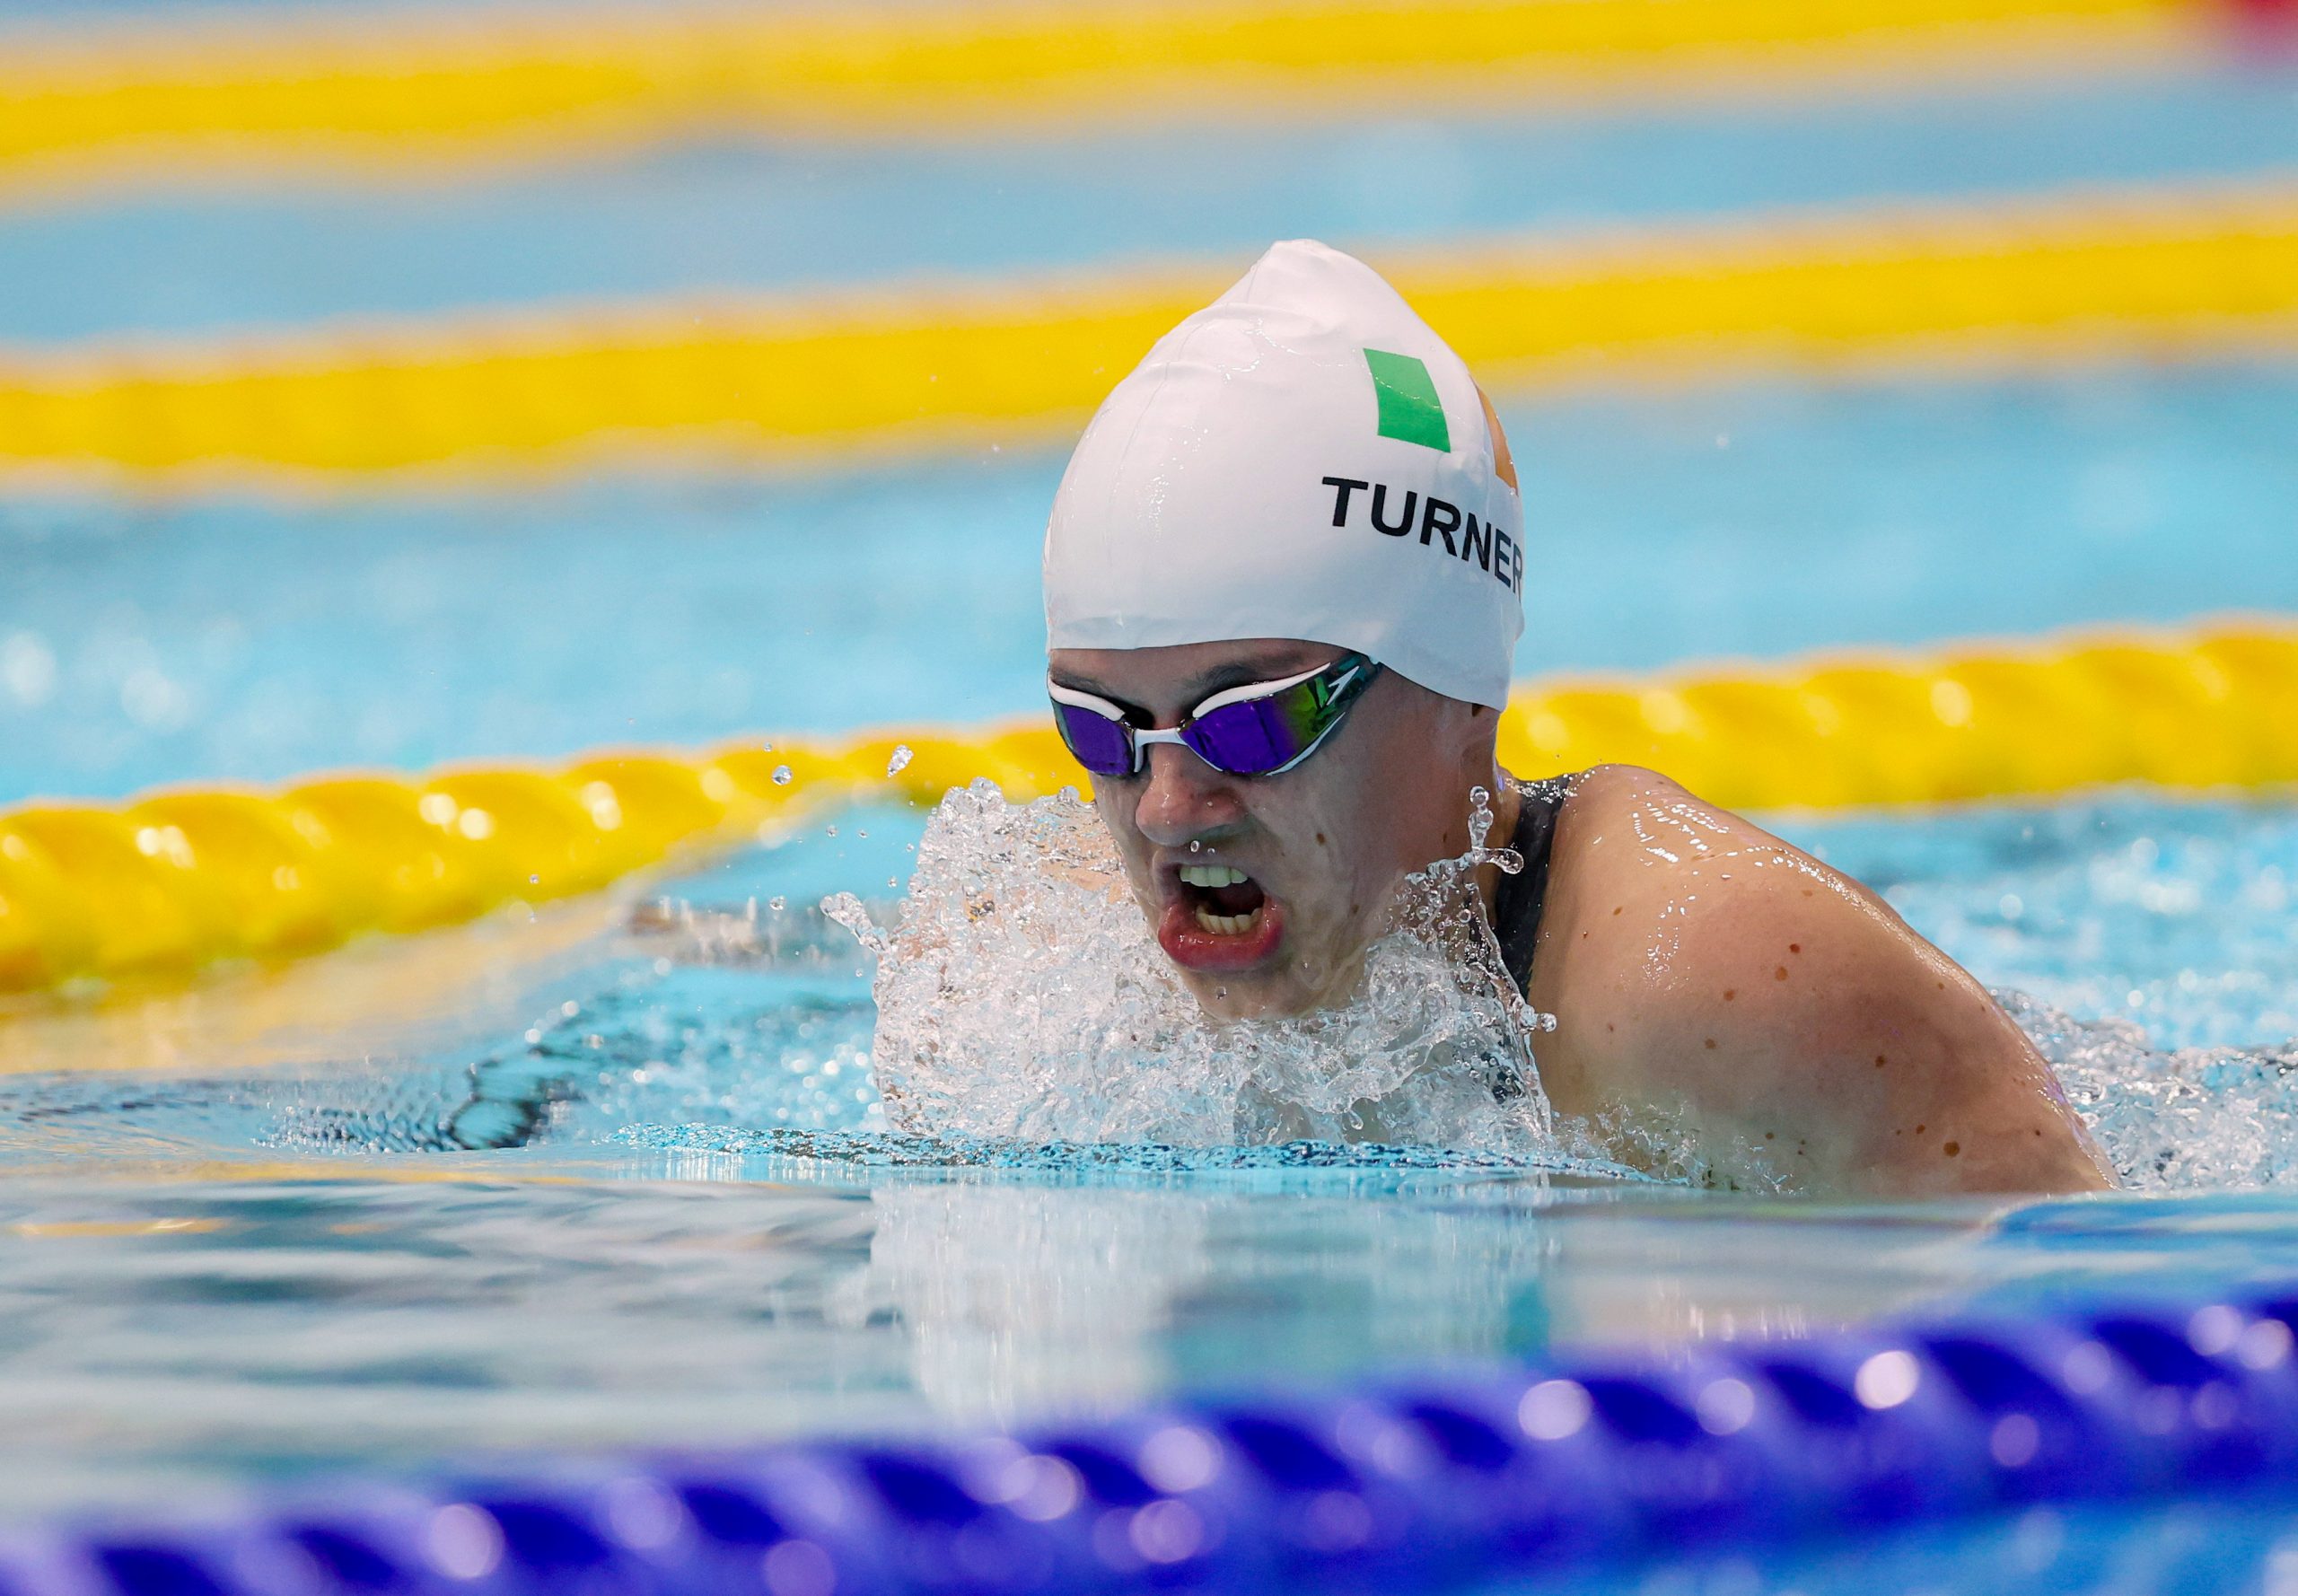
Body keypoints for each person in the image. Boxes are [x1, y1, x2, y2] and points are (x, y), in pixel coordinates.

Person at [1039, 240, 2111, 1197]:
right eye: (1103, 730)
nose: (1169, 810)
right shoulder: (1052, 988)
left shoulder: (1705, 978)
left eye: (1252, 721)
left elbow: (2083, 1309)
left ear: (1457, 688)